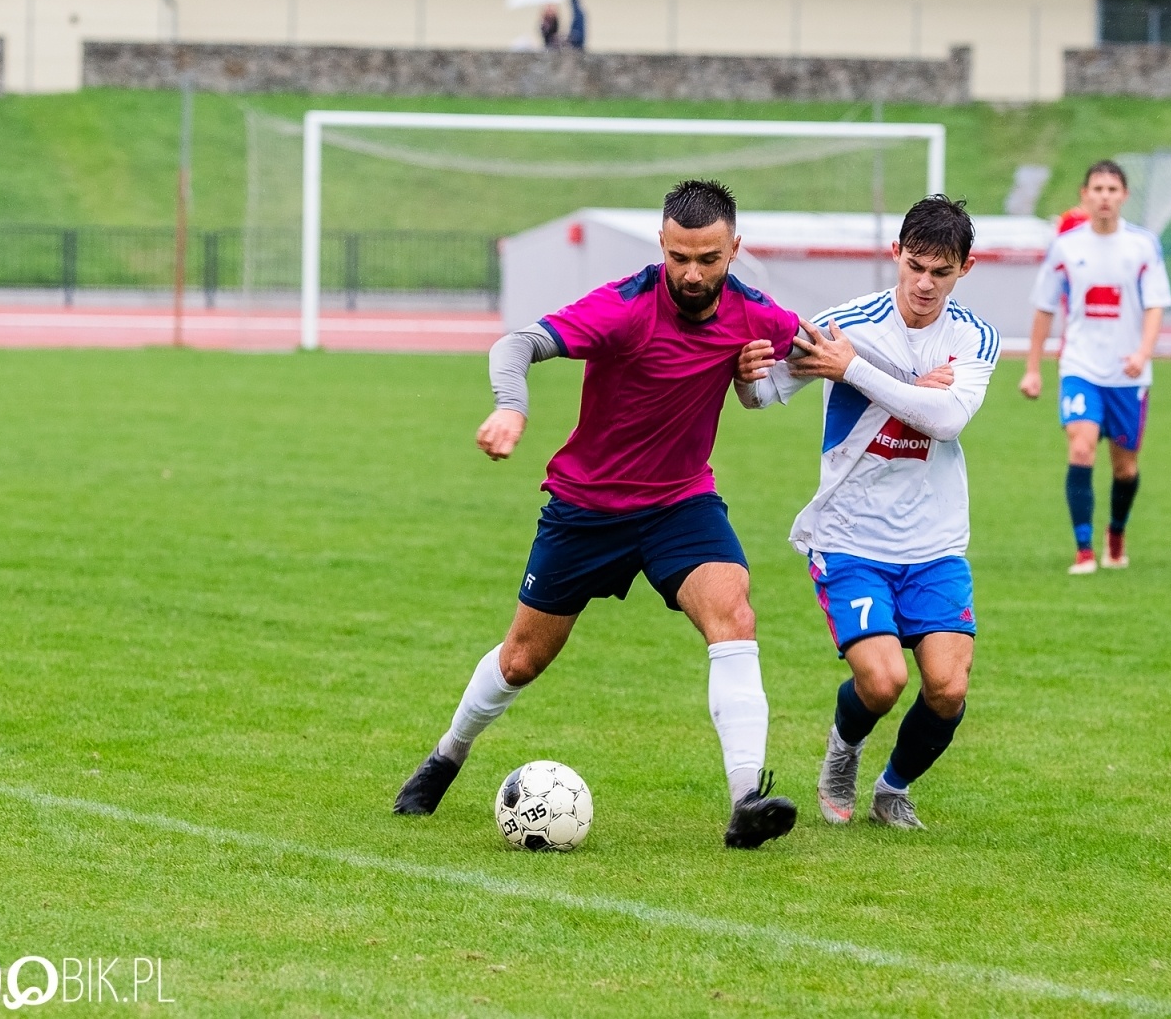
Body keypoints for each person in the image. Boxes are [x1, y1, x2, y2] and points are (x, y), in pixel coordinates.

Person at [395, 179, 802, 849]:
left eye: (707, 258)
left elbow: (824, 353)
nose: (692, 273)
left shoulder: (756, 314)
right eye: (678, 257)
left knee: (735, 614)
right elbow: (517, 344)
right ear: (661, 245)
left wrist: (783, 376)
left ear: (735, 248)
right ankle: (447, 755)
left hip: (681, 503)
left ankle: (746, 802)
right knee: (524, 657)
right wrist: (511, 406)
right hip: (587, 508)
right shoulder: (623, 308)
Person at [734, 196, 999, 830]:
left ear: (966, 267)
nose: (925, 284)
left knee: (949, 687)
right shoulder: (845, 322)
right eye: (915, 266)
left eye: (942, 271)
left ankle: (892, 789)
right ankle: (843, 751)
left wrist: (856, 371)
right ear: (896, 257)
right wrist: (745, 371)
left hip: (934, 541)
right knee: (882, 682)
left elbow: (949, 417)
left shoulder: (972, 335)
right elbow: (761, 394)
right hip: (851, 537)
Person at [1019, 160, 1171, 575]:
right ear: (1084, 195)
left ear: (1123, 196)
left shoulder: (1142, 246)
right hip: (1080, 366)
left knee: (1125, 467)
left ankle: (1116, 534)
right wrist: (1033, 368)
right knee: (1082, 447)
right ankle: (1083, 549)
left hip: (1128, 373)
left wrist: (1142, 353)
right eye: (1097, 189)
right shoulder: (1066, 248)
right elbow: (1044, 308)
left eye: (1112, 189)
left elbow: (1156, 304)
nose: (1104, 196)